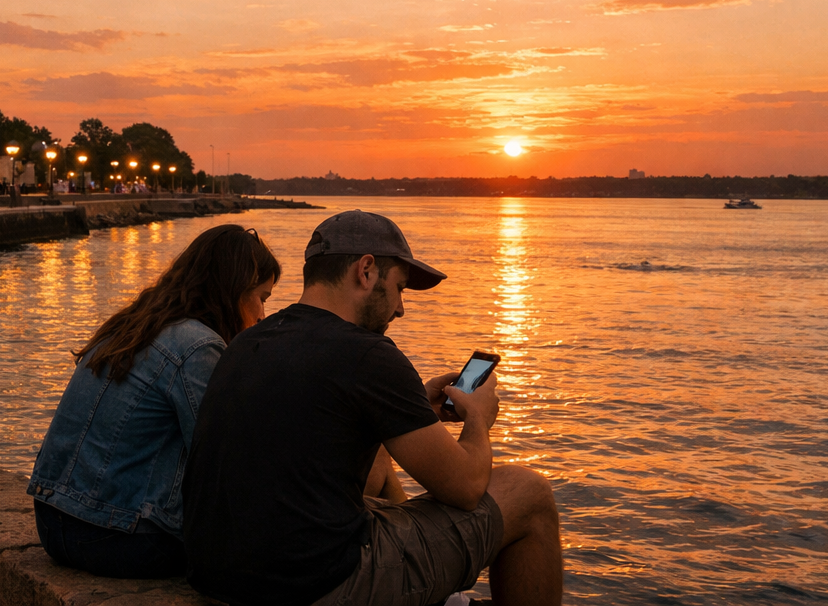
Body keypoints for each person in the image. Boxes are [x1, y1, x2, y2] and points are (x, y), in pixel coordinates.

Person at [183, 210, 564, 606]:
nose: (400, 308)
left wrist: (413, 409)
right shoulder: (366, 353)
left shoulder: (249, 341)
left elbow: (311, 427)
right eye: (399, 287)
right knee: (529, 492)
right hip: (314, 586)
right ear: (365, 271)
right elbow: (465, 488)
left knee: (383, 501)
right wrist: (478, 419)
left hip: (217, 576)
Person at [27, 224, 283, 579]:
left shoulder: (131, 326)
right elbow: (225, 460)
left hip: (54, 524)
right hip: (118, 538)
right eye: (263, 297)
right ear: (234, 290)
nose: (262, 315)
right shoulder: (199, 346)